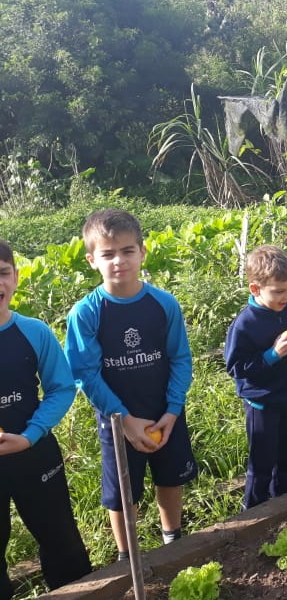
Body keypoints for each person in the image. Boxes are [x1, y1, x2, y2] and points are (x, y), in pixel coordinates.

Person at [65, 209, 197, 561]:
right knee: (123, 493)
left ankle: (173, 541)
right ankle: (128, 558)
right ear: (92, 260)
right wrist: (123, 419)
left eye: (127, 251)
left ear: (142, 252)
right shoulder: (86, 313)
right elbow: (85, 373)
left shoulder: (163, 304)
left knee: (170, 478)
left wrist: (172, 410)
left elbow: (180, 359)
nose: (118, 261)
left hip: (165, 412)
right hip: (116, 420)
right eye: (108, 254)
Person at [0, 239, 92, 600]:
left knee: (60, 537)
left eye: (2, 273)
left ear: (15, 277)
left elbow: (61, 388)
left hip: (34, 452)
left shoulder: (34, 332)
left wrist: (30, 435)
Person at [224, 246, 287, 510]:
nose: (286, 296)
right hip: (261, 401)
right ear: (255, 289)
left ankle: (284, 498)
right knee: (262, 460)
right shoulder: (246, 324)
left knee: (286, 454)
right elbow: (236, 367)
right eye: (278, 291)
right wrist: (273, 355)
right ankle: (254, 508)